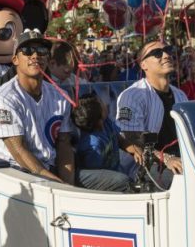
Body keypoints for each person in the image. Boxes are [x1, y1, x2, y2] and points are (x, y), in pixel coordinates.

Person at [0, 30, 75, 184]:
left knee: (115, 181)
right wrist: (57, 186)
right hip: (15, 173)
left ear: (47, 58)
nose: (35, 56)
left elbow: (64, 145)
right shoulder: (3, 99)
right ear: (15, 60)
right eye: (27, 51)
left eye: (41, 51)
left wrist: (69, 184)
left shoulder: (59, 96)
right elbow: (19, 151)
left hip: (51, 169)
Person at [116, 41, 188, 189]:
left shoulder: (180, 95)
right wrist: (166, 158)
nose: (166, 55)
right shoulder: (132, 96)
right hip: (145, 164)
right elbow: (128, 137)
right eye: (157, 54)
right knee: (181, 179)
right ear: (144, 65)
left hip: (179, 157)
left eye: (168, 50)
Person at [72, 93, 143, 192]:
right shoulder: (93, 146)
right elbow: (98, 177)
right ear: (99, 118)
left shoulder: (106, 123)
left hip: (117, 170)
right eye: (101, 102)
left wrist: (134, 149)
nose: (105, 103)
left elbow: (120, 140)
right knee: (126, 182)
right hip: (108, 183)